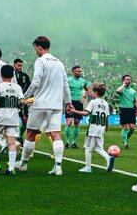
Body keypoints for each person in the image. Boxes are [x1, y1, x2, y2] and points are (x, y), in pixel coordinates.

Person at [18, 36, 70, 176]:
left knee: (30, 133)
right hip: (56, 105)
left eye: (35, 47)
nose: (35, 50)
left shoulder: (40, 61)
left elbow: (35, 82)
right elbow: (65, 85)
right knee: (55, 134)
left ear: (39, 46)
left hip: (41, 104)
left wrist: (24, 97)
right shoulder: (59, 63)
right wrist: (69, 102)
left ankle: (23, 164)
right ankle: (58, 166)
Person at [0, 65, 24, 175]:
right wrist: (17, 109)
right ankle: (11, 168)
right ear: (13, 75)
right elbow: (22, 101)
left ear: (1, 75)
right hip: (13, 118)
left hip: (1, 117)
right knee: (11, 142)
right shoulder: (18, 87)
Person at [80, 83, 114, 174]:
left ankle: (88, 167)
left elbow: (86, 113)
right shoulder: (105, 103)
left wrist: (74, 111)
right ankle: (108, 158)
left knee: (88, 147)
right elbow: (107, 116)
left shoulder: (93, 102)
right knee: (99, 148)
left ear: (95, 92)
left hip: (93, 128)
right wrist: (107, 127)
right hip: (101, 128)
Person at [65, 65, 89, 149]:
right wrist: (67, 100)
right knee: (69, 122)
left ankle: (74, 143)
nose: (80, 72)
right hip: (70, 102)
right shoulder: (68, 80)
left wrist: (84, 97)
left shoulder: (83, 81)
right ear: (73, 72)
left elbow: (88, 90)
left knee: (76, 123)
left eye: (80, 71)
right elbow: (64, 90)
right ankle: (67, 143)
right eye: (78, 71)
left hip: (79, 103)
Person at [115, 74, 137, 148]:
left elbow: (136, 101)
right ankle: (125, 143)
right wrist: (124, 84)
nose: (128, 80)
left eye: (129, 79)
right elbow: (118, 90)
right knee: (125, 127)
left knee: (132, 128)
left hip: (131, 109)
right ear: (123, 80)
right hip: (123, 109)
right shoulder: (122, 89)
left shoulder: (133, 91)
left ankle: (125, 139)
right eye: (126, 79)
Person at [12, 57, 31, 138]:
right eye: (18, 65)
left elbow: (29, 87)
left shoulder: (25, 76)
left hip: (23, 101)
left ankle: (19, 136)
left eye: (21, 66)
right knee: (12, 121)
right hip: (13, 101)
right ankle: (12, 138)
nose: (20, 67)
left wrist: (29, 99)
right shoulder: (11, 75)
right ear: (14, 65)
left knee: (25, 121)